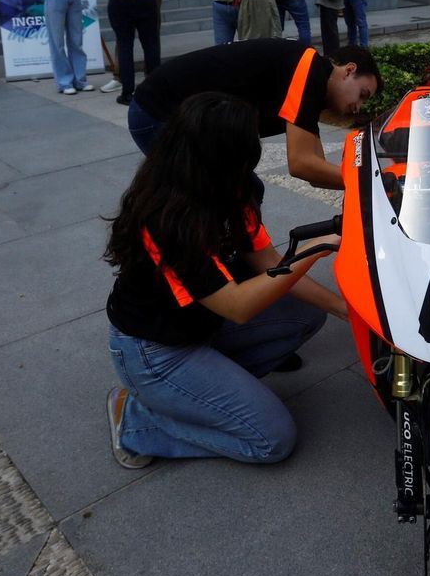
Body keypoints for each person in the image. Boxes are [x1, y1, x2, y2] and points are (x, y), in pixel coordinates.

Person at [104, 92, 348, 468]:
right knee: (272, 440)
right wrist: (314, 248)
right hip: (157, 350)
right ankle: (137, 421)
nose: (257, 147)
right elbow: (237, 305)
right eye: (248, 142)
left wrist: (349, 312)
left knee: (307, 313)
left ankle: (204, 395)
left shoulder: (235, 189)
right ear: (220, 155)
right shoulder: (168, 220)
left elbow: (268, 262)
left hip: (202, 326)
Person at [125, 40, 381, 189]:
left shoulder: (311, 81)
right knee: (223, 193)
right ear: (349, 70)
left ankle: (234, 265)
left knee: (242, 192)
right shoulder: (310, 69)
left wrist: (366, 186)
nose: (359, 107)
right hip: (158, 112)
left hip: (181, 117)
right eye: (363, 94)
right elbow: (301, 164)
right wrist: (372, 184)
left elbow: (316, 170)